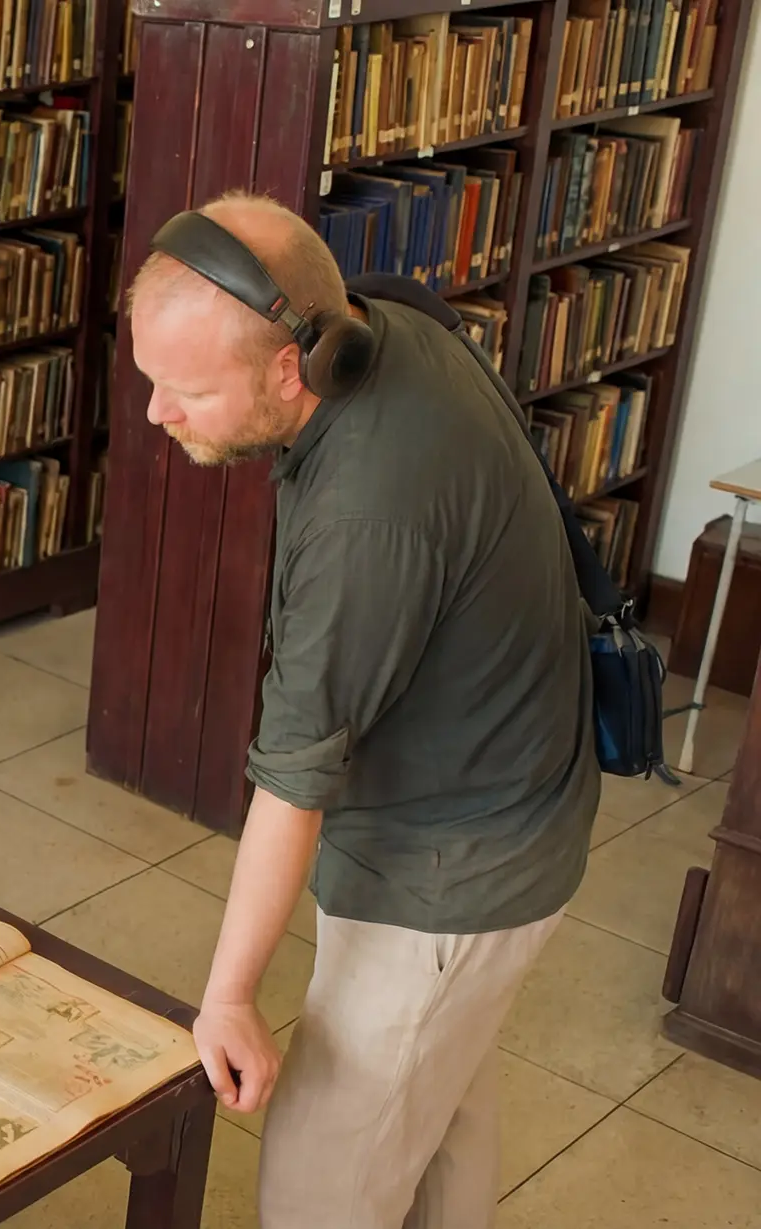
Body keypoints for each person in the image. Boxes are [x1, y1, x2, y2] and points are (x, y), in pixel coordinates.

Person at [128, 191, 598, 1227]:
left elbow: (292, 778)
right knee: (441, 1113)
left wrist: (230, 994)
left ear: (295, 366)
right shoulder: (385, 315)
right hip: (517, 808)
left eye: (184, 389)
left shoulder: (365, 519)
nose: (156, 412)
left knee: (317, 1184)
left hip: (453, 865)